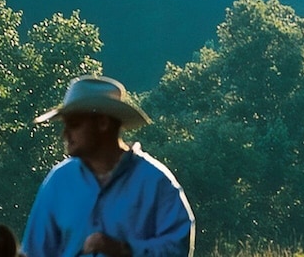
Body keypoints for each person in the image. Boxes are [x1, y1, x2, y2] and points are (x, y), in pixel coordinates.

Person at [22, 75, 193, 257]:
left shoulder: (155, 181)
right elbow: (34, 251)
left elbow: (178, 249)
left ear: (103, 123)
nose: (65, 134)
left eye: (73, 124)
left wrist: (123, 250)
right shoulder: (58, 181)